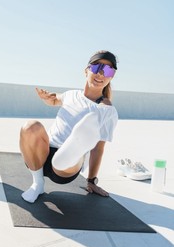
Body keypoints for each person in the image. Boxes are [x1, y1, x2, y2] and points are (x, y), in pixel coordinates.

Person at [19, 50, 118, 203]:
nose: (100, 74)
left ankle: (74, 149)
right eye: (97, 68)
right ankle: (37, 184)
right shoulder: (71, 95)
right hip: (41, 156)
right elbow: (53, 100)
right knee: (30, 126)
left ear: (111, 76)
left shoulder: (107, 110)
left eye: (107, 70)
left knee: (65, 158)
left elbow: (98, 148)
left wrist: (91, 181)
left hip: (65, 170)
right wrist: (47, 97)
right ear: (86, 70)